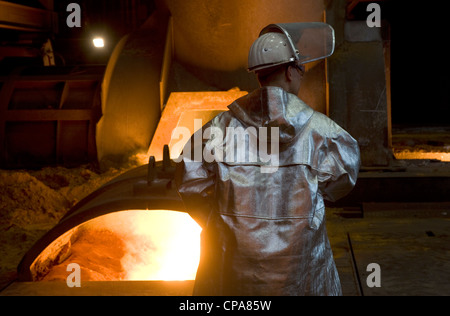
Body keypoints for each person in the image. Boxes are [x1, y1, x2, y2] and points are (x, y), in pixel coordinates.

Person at [175, 23, 360, 296]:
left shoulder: (216, 131)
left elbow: (192, 188)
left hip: (234, 270)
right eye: (300, 69)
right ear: (289, 71)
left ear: (258, 75)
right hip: (301, 269)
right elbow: (339, 184)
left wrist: (231, 224)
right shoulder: (325, 134)